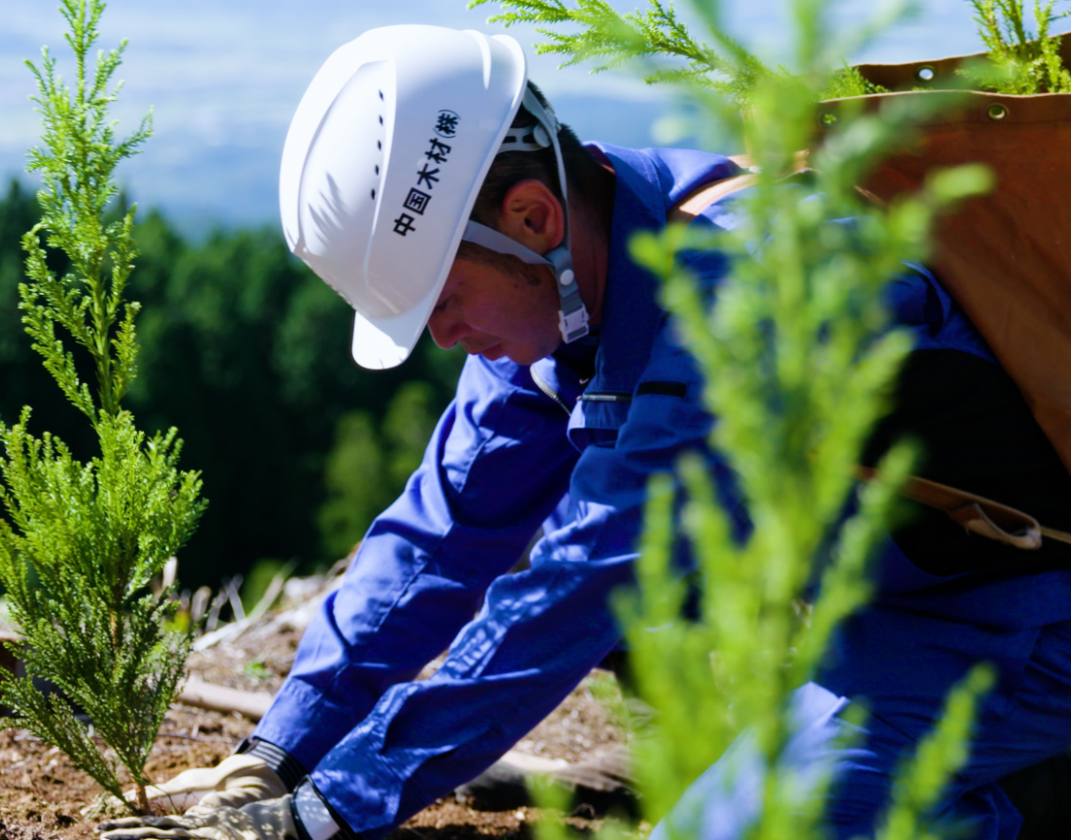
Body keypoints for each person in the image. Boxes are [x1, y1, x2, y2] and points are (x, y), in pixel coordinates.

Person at [98, 24, 1071, 840]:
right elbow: (441, 538)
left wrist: (332, 812)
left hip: (1023, 626)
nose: (442, 339)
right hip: (896, 617)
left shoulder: (750, 298)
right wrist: (278, 756)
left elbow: (574, 588)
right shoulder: (560, 310)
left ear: (530, 216)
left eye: (441, 299)